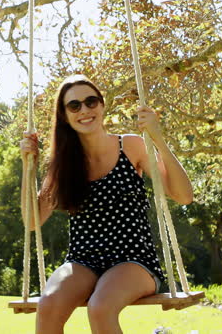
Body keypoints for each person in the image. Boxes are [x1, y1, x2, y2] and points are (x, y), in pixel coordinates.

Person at [20, 74, 193, 334]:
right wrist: (27, 168)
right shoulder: (63, 165)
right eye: (74, 106)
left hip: (133, 260)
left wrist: (157, 137)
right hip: (82, 261)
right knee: (48, 306)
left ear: (102, 105)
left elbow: (183, 196)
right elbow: (32, 221)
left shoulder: (130, 146)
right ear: (64, 115)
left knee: (100, 307)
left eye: (91, 101)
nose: (85, 110)